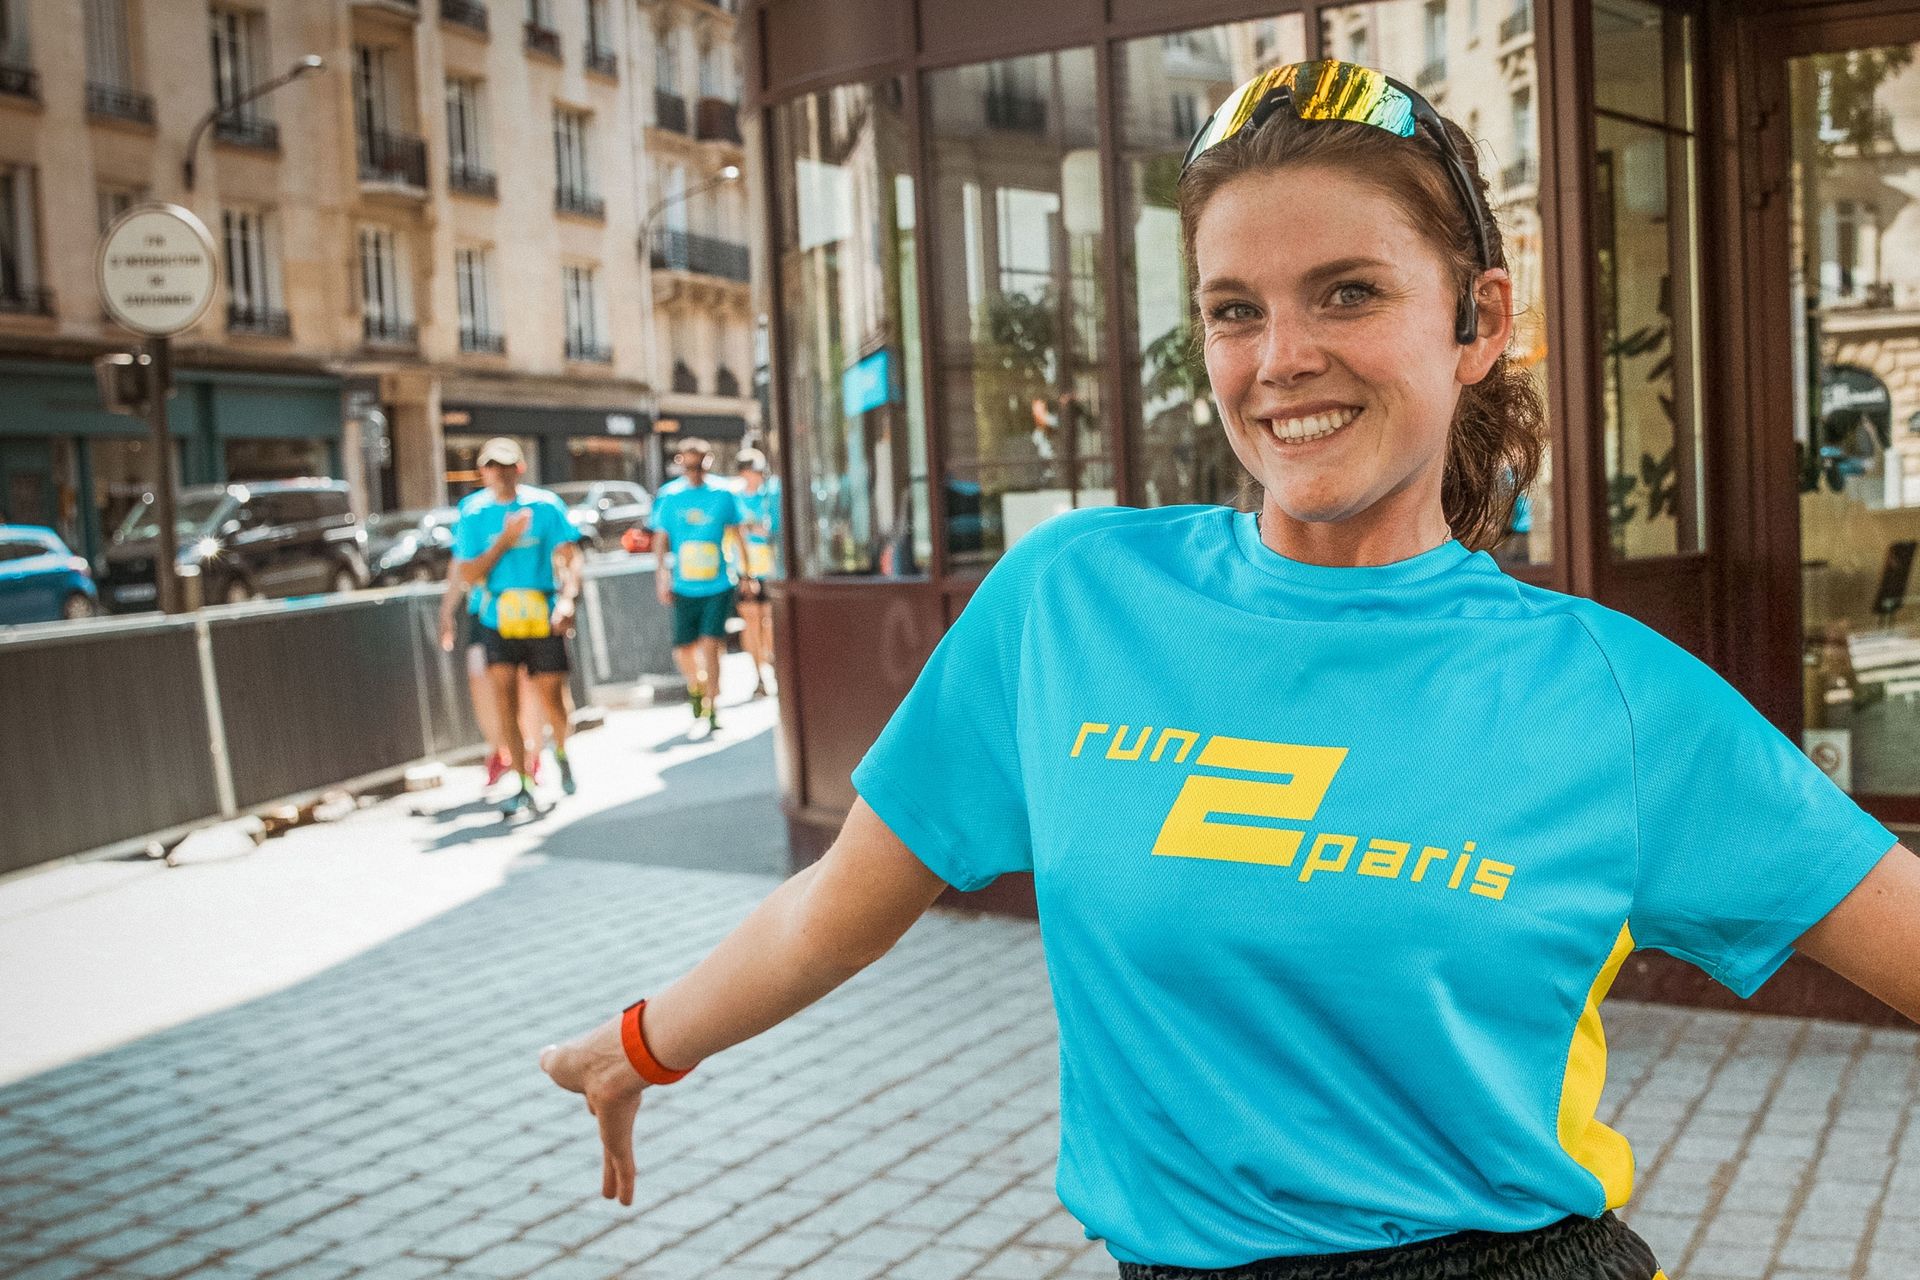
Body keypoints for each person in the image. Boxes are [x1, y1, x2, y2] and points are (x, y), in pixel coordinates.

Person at [538, 61, 1920, 1280]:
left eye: (1349, 293)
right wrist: (644, 1041)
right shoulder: (1070, 604)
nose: (1281, 360)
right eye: (1232, 310)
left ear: (1479, 320)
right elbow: (840, 906)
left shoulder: (1612, 696)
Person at [451, 438, 583, 814]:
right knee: (505, 703)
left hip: (542, 615)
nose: (501, 473)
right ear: (483, 471)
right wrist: (505, 542)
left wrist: (569, 599)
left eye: (507, 466)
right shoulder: (473, 513)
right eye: (493, 466)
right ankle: (523, 781)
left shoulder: (545, 506)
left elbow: (571, 558)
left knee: (553, 702)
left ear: (520, 468)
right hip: (498, 619)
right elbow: (468, 573)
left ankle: (560, 750)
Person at [648, 438, 751, 736]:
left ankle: (713, 705)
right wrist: (662, 577)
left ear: (709, 461)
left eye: (699, 464)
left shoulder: (723, 494)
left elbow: (736, 533)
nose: (694, 471)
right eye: (688, 464)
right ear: (680, 462)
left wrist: (745, 572)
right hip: (684, 585)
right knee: (683, 651)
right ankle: (697, 686)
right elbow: (660, 539)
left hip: (718, 583)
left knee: (710, 643)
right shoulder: (669, 496)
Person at [437, 570, 544, 789]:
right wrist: (446, 611)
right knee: (480, 680)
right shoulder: (470, 535)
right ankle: (498, 751)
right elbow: (460, 562)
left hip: (523, 606)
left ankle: (532, 755)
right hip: (483, 613)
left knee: (524, 683)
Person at [732, 449, 778, 698]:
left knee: (769, 622)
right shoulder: (735, 499)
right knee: (751, 625)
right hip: (744, 570)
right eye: (754, 470)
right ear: (743, 472)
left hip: (770, 568)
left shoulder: (771, 495)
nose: (759, 475)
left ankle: (772, 665)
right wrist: (742, 575)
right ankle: (759, 677)